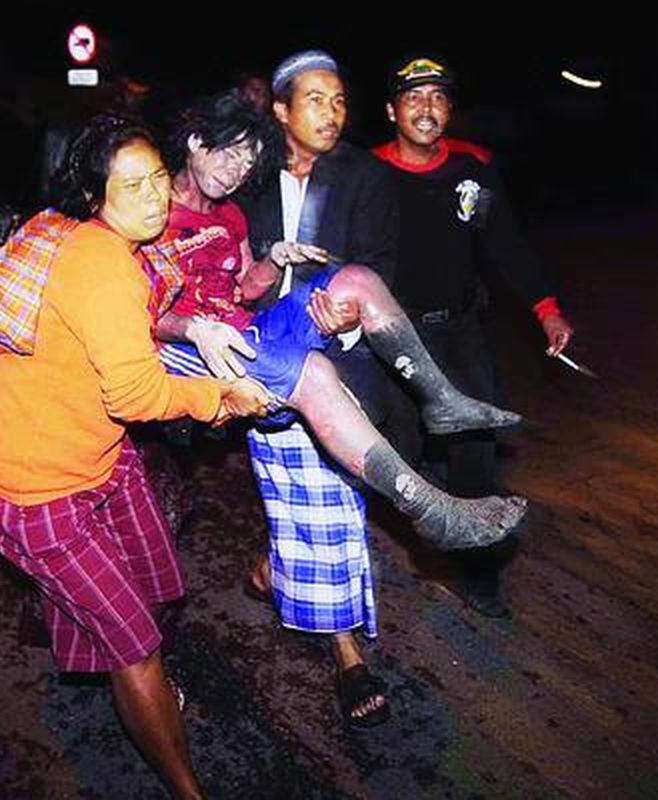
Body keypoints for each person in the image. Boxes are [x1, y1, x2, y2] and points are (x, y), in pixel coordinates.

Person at [159, 91, 526, 724]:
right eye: (230, 151)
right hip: (192, 351)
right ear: (194, 142)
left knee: (354, 280)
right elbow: (131, 304)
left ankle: (441, 401)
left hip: (245, 334)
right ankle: (424, 505)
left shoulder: (233, 215)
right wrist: (193, 329)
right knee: (316, 375)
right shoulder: (145, 205)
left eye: (250, 158)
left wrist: (273, 263)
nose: (240, 169)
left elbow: (241, 289)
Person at [0, 114, 271, 799]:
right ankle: (186, 785)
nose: (154, 197)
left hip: (96, 456)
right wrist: (222, 397)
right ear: (94, 197)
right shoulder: (100, 263)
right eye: (131, 185)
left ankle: (86, 634)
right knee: (139, 645)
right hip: (33, 485)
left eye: (157, 179)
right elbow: (136, 391)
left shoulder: (113, 248)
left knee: (156, 581)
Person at [233, 50, 401, 725]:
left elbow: (382, 268)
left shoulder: (364, 176)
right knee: (298, 499)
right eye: (315, 100)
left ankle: (337, 643)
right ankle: (311, 612)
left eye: (339, 100)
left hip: (339, 365)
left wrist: (352, 320)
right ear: (280, 110)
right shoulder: (244, 178)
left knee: (332, 500)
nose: (333, 113)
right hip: (258, 363)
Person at [373, 56, 574, 616]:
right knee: (401, 449)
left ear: (450, 109)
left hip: (460, 328)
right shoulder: (368, 174)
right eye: (413, 98)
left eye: (437, 97)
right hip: (394, 335)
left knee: (476, 448)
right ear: (392, 111)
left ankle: (477, 570)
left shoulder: (473, 169)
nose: (427, 108)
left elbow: (503, 242)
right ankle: (408, 541)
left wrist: (547, 309)